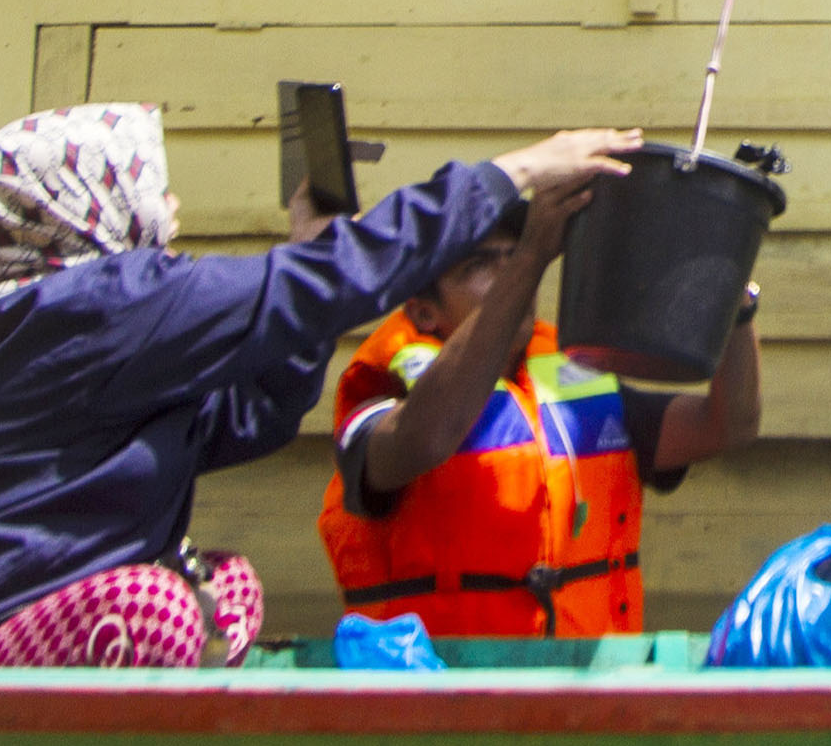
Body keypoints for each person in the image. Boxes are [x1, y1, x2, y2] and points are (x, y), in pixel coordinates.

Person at [0, 105, 640, 667]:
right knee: (160, 608)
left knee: (227, 592)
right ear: (76, 216)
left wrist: (308, 252)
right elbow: (323, 290)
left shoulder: (83, 327)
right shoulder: (89, 306)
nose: (168, 214)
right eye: (146, 193)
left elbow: (247, 418)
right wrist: (515, 174)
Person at [318, 180, 762, 636]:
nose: (510, 274)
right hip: (442, 691)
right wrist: (532, 256)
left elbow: (729, 425)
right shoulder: (385, 394)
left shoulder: (580, 379)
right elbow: (426, 438)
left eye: (514, 257)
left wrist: (735, 301)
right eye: (478, 265)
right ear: (424, 313)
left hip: (584, 692)